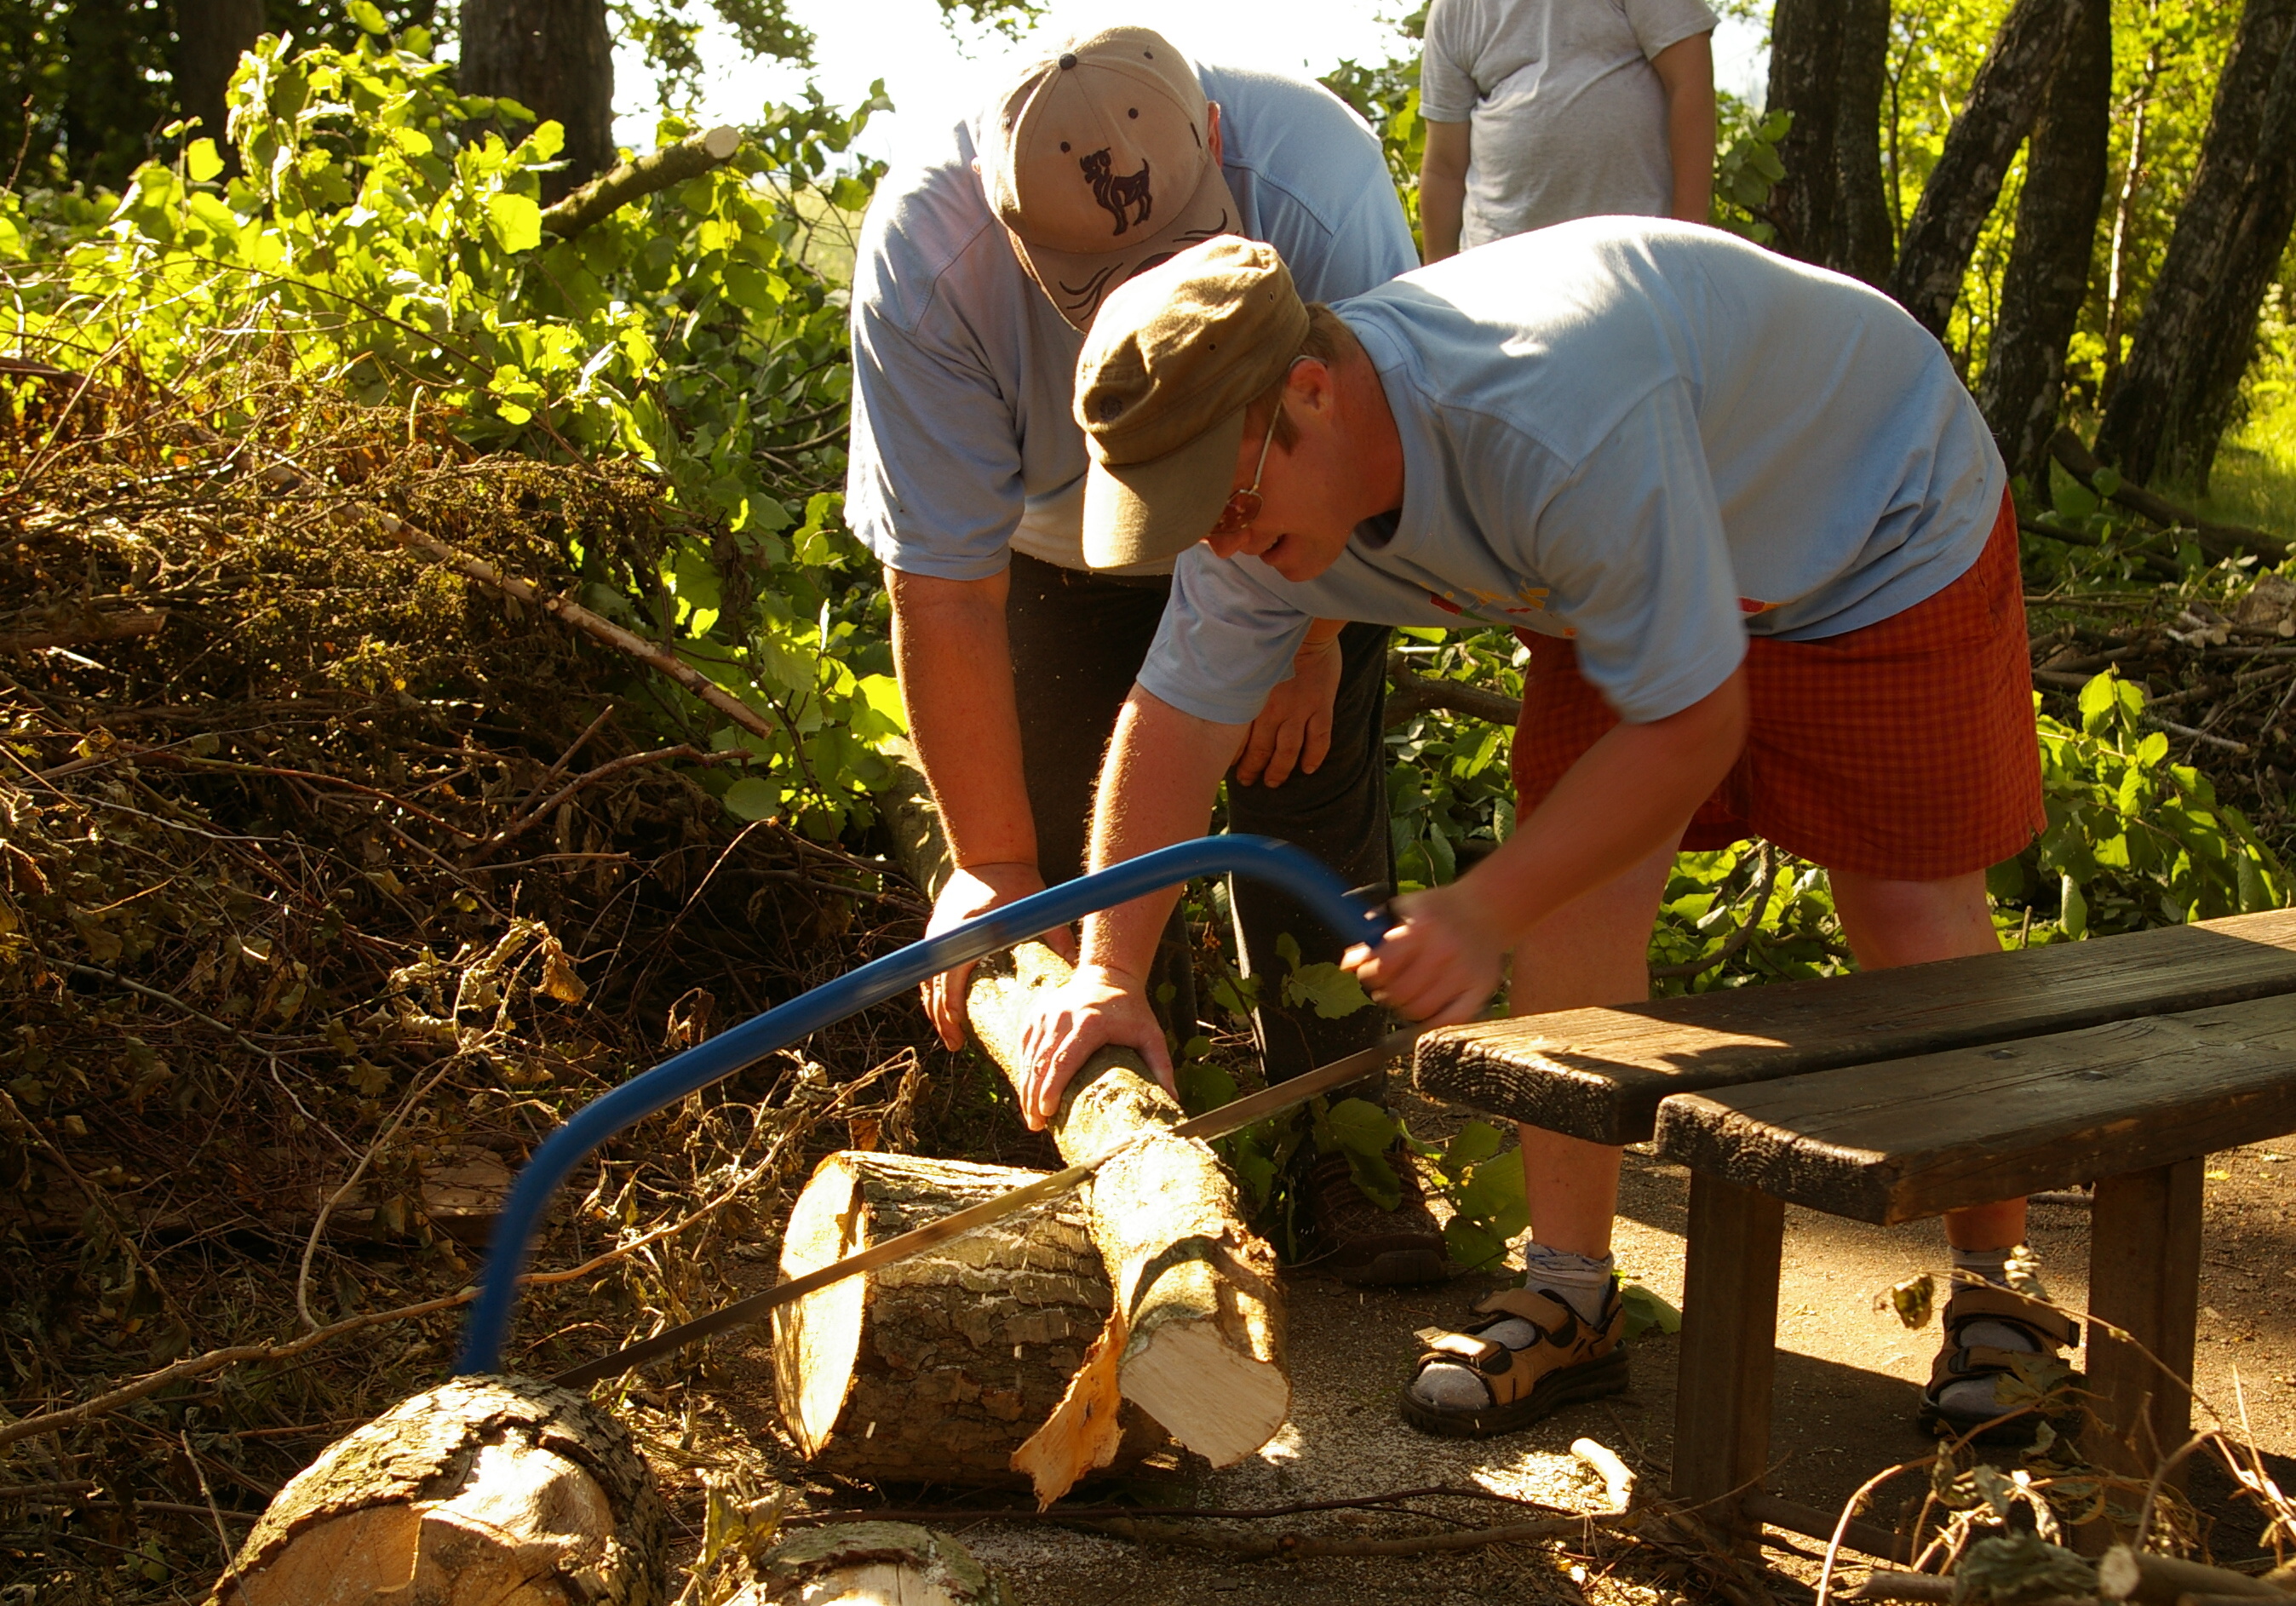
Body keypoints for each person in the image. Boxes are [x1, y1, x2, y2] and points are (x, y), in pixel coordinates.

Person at [1016, 224, 2063, 1442]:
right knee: (1577, 885)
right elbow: (1181, 716)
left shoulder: (1545, 420)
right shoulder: (1255, 509)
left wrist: (1475, 910)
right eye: (1190, 520)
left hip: (1876, 514)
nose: (1224, 544)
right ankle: (1571, 1292)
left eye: (1229, 503)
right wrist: (1106, 972)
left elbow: (1694, 724)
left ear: (1310, 387)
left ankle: (2001, 1295)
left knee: (1901, 902)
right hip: (1634, 542)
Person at [847, 27, 1448, 1282]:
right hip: (1061, 542)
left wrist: (1317, 635)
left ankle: (1348, 1138)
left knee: (1307, 806)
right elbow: (944, 590)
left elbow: (1377, 434)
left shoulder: (1319, 179)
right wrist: (995, 869)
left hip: (1299, 514)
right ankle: (1141, 1156)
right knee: (1080, 857)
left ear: (1214, 144)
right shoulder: (930, 253)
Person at [1416, 0, 1718, 264]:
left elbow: (1690, 89)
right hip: (1500, 275)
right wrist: (1435, 302)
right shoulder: (1453, 9)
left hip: (1634, 264)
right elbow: (1444, 170)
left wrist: (1688, 246)